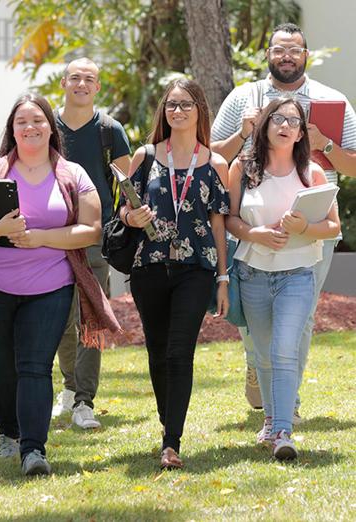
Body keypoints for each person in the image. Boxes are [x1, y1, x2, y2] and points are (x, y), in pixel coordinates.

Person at [211, 22, 356, 415]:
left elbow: (354, 166)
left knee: (303, 316)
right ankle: (258, 364)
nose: (286, 56)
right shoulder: (244, 97)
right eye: (279, 50)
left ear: (306, 55)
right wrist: (245, 134)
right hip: (253, 221)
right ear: (268, 55)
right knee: (254, 317)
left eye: (294, 50)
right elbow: (212, 156)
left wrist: (323, 142)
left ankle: (286, 402)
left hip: (312, 226)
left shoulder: (331, 100)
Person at [0, 93, 120, 476]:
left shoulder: (73, 173)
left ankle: (33, 450)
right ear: (12, 129)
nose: (31, 127)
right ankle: (7, 433)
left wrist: (41, 237)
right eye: (22, 121)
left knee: (35, 366)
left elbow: (91, 230)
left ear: (50, 127)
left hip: (51, 287)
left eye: (38, 120)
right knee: (3, 366)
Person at [119, 79, 230, 469]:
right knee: (157, 350)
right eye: (171, 105)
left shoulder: (215, 163)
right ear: (163, 111)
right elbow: (124, 209)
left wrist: (222, 278)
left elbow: (218, 225)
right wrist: (131, 216)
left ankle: (172, 442)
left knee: (180, 352)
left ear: (199, 109)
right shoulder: (145, 155)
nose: (178, 111)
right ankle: (170, 420)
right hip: (149, 266)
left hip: (195, 270)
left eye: (185, 104)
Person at [227, 97, 340, 459]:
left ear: (301, 132)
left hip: (298, 275)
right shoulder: (242, 168)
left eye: (293, 120)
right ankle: (272, 421)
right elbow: (228, 219)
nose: (285, 125)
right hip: (253, 273)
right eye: (277, 118)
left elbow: (334, 226)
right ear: (264, 124)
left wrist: (305, 226)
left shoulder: (313, 173)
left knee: (284, 350)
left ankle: (282, 431)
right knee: (262, 354)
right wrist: (254, 234)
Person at [52, 57, 131, 428]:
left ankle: (84, 401)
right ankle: (69, 386)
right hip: (49, 237)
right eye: (75, 78)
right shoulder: (46, 125)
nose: (82, 84)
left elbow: (129, 185)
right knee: (58, 318)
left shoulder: (110, 130)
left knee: (91, 320)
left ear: (97, 87)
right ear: (64, 83)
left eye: (89, 79)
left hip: (95, 237)